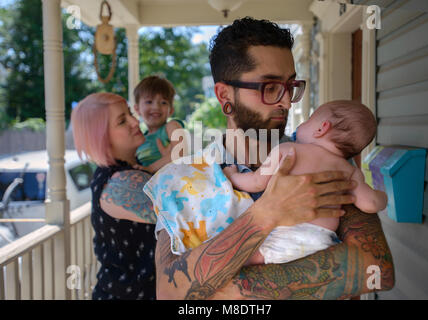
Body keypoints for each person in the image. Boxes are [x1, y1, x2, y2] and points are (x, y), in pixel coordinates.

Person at [154, 17, 394, 300]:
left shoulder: (327, 159)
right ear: (224, 95)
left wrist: (215, 290)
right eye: (269, 87)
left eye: (290, 85)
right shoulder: (180, 180)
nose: (285, 101)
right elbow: (170, 294)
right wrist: (267, 213)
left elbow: (376, 269)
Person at [223, 100, 388, 265]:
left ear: (321, 128)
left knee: (245, 259)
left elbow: (256, 182)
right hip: (322, 238)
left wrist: (232, 176)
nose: (302, 124)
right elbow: (371, 203)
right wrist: (383, 195)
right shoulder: (349, 171)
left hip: (286, 231)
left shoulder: (287, 150)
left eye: (309, 119)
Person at [71, 92, 158, 300]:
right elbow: (189, 211)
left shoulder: (133, 168)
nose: (135, 121)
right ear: (102, 137)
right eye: (122, 121)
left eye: (129, 113)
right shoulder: (118, 182)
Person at [133, 75, 185, 173]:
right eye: (149, 102)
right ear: (137, 109)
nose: (156, 107)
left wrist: (150, 169)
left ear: (171, 110)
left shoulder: (171, 127)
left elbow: (179, 152)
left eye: (163, 102)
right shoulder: (139, 140)